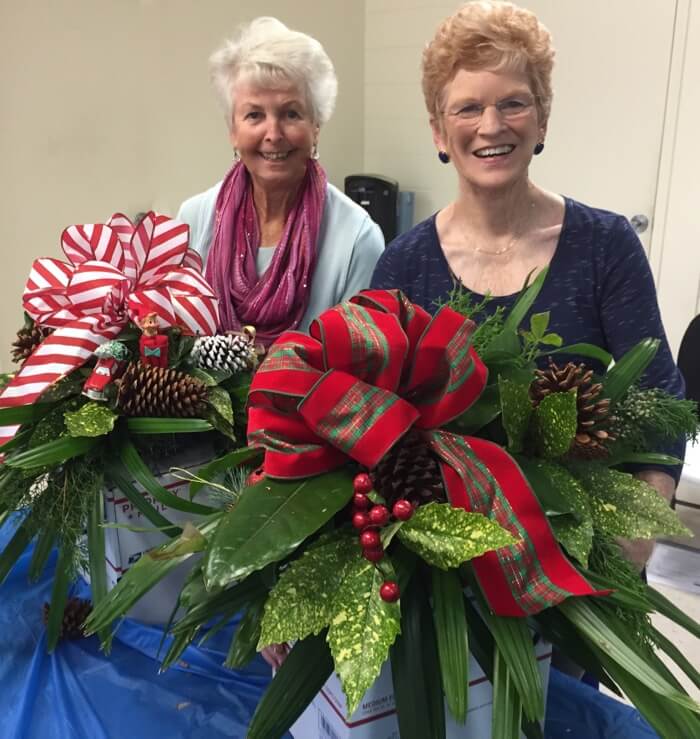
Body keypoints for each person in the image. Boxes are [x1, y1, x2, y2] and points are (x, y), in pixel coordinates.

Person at [370, 1, 684, 571]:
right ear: (439, 131)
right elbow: (374, 420)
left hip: (581, 558)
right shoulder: (403, 266)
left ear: (541, 119)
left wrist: (636, 537)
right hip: (444, 570)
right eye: (468, 107)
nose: (491, 126)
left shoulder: (604, 245)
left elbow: (663, 399)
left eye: (512, 102)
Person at [177, 17, 384, 348]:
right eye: (254, 115)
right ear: (233, 130)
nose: (273, 134)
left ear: (316, 125)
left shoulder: (357, 238)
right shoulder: (192, 219)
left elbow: (356, 367)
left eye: (291, 114)